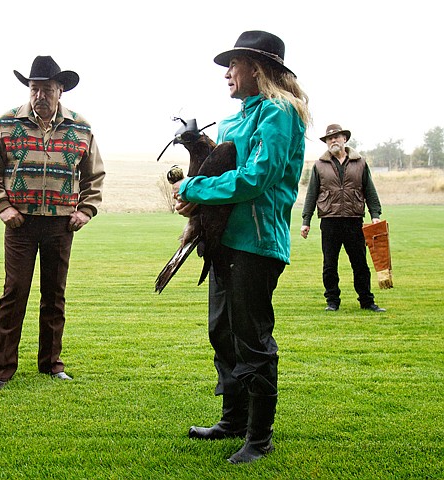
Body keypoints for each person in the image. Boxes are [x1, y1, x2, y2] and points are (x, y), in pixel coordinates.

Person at [171, 31, 311, 464]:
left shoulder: (280, 112)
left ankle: (259, 438)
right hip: (225, 242)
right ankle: (232, 421)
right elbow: (228, 167)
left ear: (258, 68)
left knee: (252, 340)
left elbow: (258, 177)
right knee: (223, 333)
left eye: (233, 64)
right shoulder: (234, 119)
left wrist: (195, 186)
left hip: (258, 243)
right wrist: (198, 157)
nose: (227, 74)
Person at [0, 56, 105, 390]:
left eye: (47, 88)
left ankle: (51, 364)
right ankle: (2, 370)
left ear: (60, 90)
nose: (40, 95)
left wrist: (85, 210)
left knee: (54, 295)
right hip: (20, 223)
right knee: (14, 293)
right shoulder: (6, 122)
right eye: (34, 88)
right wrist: (2, 206)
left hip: (61, 225)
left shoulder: (81, 127)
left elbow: (94, 175)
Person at [300, 124, 385, 312]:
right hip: (329, 221)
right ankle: (332, 301)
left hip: (354, 220)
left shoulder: (360, 162)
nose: (333, 141)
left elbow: (369, 191)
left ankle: (367, 301)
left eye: (336, 137)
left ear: (344, 139)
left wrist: (376, 215)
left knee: (360, 264)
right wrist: (306, 221)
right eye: (329, 138)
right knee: (330, 264)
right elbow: (311, 194)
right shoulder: (319, 165)